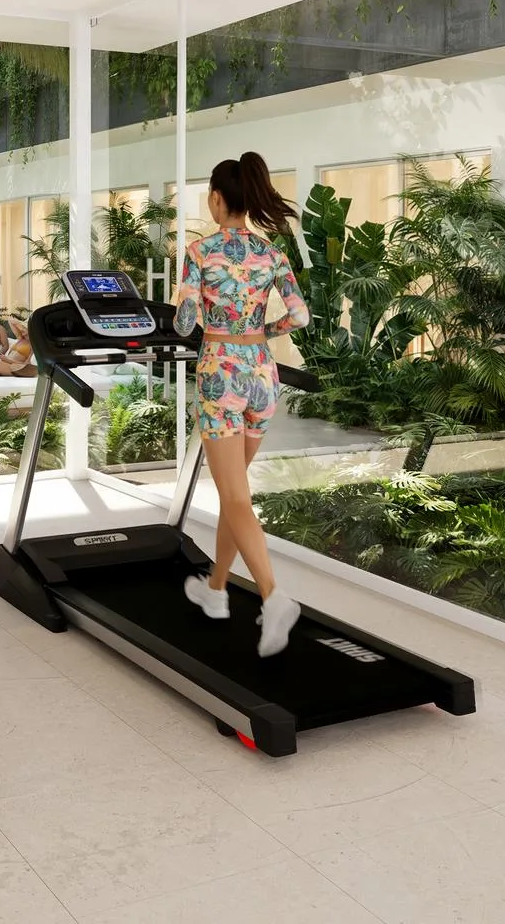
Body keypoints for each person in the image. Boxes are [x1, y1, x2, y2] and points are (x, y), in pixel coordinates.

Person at [173, 152, 309, 658]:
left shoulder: (199, 251)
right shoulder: (271, 253)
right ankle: (215, 590)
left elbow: (185, 323)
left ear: (216, 199)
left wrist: (189, 301)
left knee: (233, 496)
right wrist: (262, 331)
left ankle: (273, 597)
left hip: (221, 376)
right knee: (238, 495)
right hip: (262, 375)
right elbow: (300, 316)